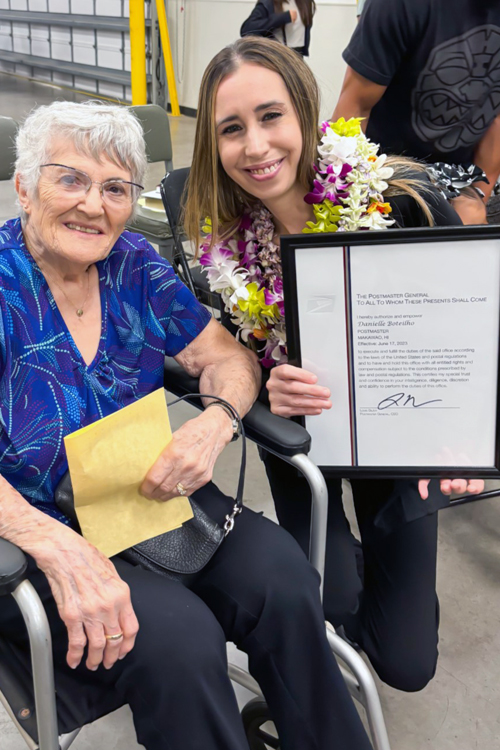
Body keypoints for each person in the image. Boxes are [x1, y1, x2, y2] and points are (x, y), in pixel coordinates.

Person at [0, 100, 373, 750]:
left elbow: (223, 356)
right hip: (38, 533)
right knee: (180, 641)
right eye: (71, 179)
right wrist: (56, 548)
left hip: (148, 498)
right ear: (24, 187)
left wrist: (217, 420)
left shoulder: (133, 265)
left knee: (284, 578)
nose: (95, 204)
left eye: (116, 188)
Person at [185, 37, 484, 693]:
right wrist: (266, 385)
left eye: (270, 116)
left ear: (304, 111)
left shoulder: (400, 198)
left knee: (405, 665)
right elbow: (237, 357)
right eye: (231, 129)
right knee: (332, 604)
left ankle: (395, 602)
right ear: (213, 143)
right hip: (303, 445)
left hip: (399, 440)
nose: (256, 147)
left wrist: (464, 438)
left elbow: (467, 330)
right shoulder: (226, 245)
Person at [334, 0, 500, 201]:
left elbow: (496, 116)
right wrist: (352, 204)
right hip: (385, 177)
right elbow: (354, 110)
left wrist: (477, 196)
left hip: (460, 180)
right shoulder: (399, 5)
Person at [241, 0, 315, 57]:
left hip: (297, 56)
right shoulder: (269, 2)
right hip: (277, 55)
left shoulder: (306, 2)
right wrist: (282, 17)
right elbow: (247, 30)